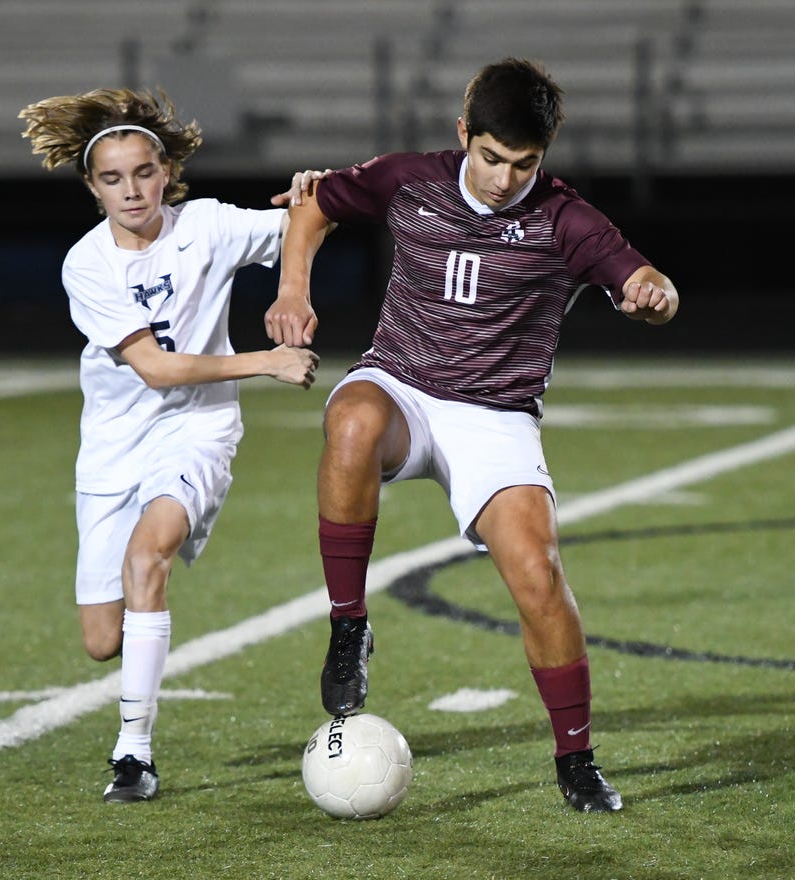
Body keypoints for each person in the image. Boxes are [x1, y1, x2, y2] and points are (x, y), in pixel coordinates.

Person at [265, 57, 678, 813]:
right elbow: (314, 203)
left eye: (524, 163)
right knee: (351, 420)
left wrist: (654, 295)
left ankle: (576, 760)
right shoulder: (410, 178)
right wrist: (293, 287)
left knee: (540, 576)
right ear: (464, 135)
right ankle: (349, 626)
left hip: (496, 415)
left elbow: (645, 278)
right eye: (491, 157)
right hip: (401, 387)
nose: (503, 178)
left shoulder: (564, 217)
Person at [19, 88, 320, 803]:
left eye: (144, 173)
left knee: (147, 555)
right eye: (113, 179)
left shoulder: (207, 226)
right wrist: (266, 361)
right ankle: (142, 649)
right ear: (92, 189)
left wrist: (309, 225)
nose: (132, 191)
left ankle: (134, 753)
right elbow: (155, 367)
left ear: (166, 172)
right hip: (114, 446)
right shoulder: (87, 266)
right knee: (101, 637)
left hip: (198, 428)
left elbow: (312, 216)